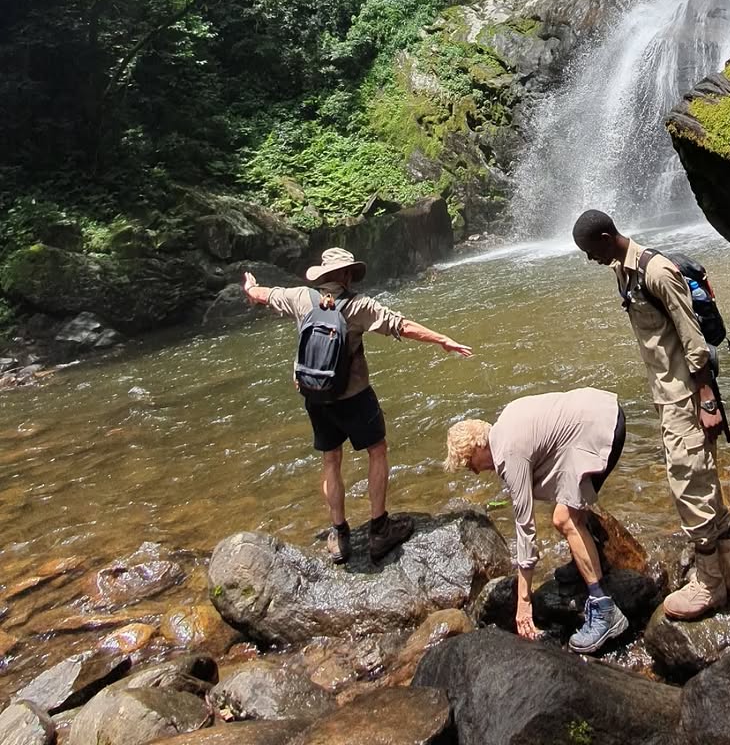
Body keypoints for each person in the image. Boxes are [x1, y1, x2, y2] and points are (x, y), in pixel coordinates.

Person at [243, 247, 472, 566]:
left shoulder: (299, 298)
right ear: (348, 275)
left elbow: (265, 295)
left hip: (316, 397)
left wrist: (250, 288)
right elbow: (401, 326)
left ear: (322, 276)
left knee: (330, 460)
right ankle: (379, 528)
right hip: (355, 396)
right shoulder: (358, 306)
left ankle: (338, 534)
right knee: (377, 450)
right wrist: (443, 340)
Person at [571, 210, 730, 620]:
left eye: (589, 249)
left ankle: (709, 587)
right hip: (668, 396)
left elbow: (694, 341)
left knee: (689, 485)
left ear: (605, 235)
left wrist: (706, 402)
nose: (589, 258)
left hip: (687, 397)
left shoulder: (657, 272)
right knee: (704, 481)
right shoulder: (622, 271)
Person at [444, 387, 629, 653]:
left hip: (601, 428)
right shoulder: (506, 421)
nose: (473, 471)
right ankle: (590, 559)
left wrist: (523, 602)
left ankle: (604, 609)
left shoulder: (509, 454)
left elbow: (525, 528)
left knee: (565, 519)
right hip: (604, 412)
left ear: (479, 446)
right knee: (567, 512)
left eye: (469, 462)